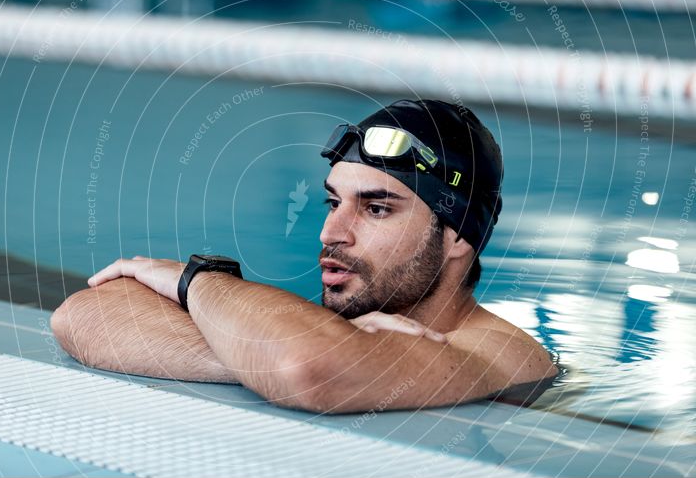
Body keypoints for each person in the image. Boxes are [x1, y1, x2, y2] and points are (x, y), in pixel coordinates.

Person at [51, 99, 558, 414]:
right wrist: (256, 353)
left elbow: (308, 365)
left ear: (458, 237)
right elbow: (82, 315)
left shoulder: (502, 356)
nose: (330, 232)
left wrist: (199, 282)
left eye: (377, 209)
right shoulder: (348, 322)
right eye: (333, 202)